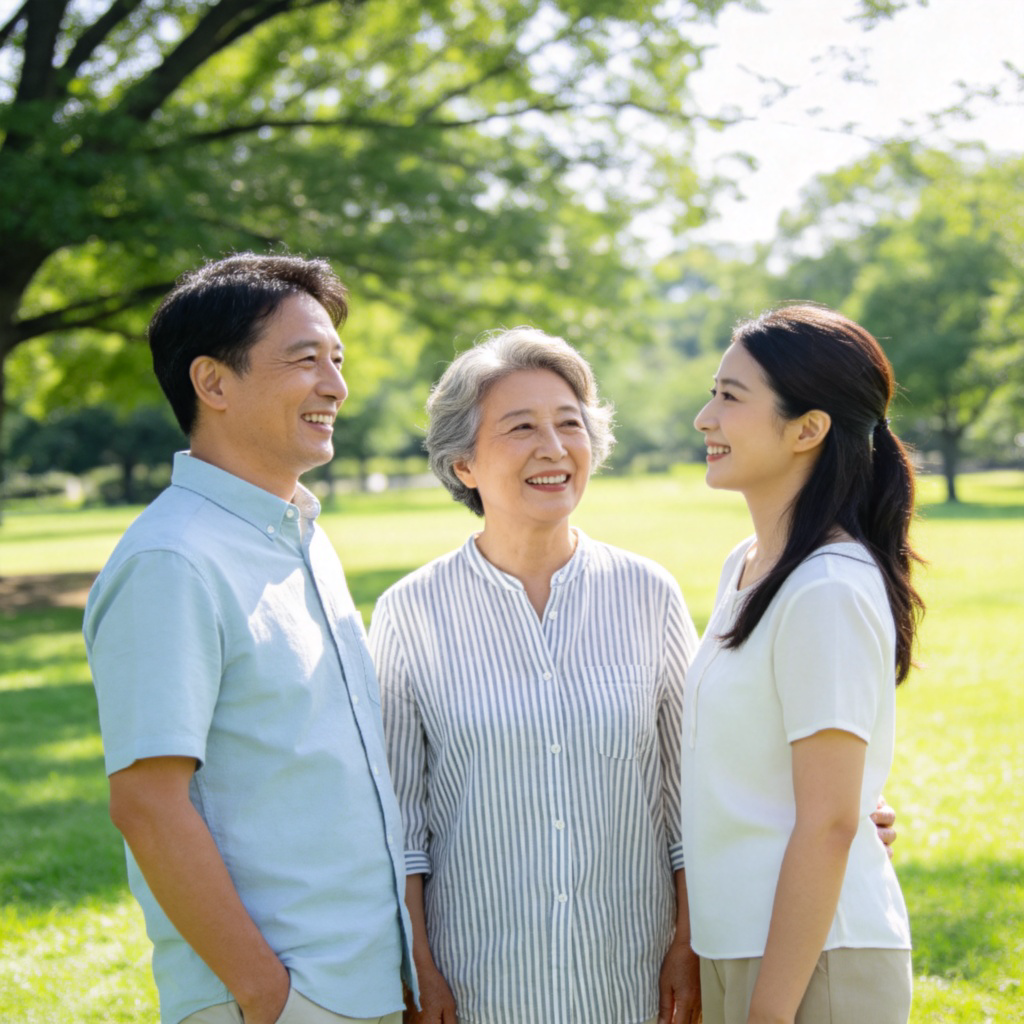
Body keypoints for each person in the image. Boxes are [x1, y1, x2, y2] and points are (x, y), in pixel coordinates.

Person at [83, 253, 416, 1024]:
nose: (336, 386)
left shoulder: (299, 536)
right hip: (279, 998)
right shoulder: (174, 560)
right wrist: (265, 994)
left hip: (359, 982)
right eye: (307, 360)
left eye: (337, 359)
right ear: (214, 383)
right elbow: (146, 804)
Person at [369, 328, 702, 1024]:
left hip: (632, 980)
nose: (553, 449)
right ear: (463, 463)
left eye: (569, 424)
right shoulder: (410, 612)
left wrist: (688, 943)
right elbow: (400, 825)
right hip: (478, 986)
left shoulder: (650, 593)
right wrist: (418, 969)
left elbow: (688, 799)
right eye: (521, 428)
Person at [683, 304, 921, 1024]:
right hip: (746, 949)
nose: (704, 417)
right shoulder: (745, 567)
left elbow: (830, 823)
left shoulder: (826, 588)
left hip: (812, 962)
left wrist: (770, 1010)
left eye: (730, 397)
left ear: (808, 429)